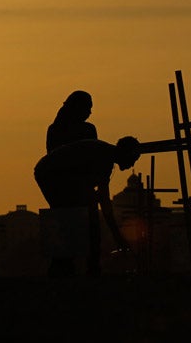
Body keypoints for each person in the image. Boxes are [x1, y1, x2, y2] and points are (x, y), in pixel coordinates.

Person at [34, 90, 142, 276]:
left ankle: (70, 265)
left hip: (61, 177)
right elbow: (105, 203)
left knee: (74, 217)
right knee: (73, 217)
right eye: (88, 108)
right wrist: (116, 234)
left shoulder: (96, 142)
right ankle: (80, 267)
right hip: (54, 176)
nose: (90, 112)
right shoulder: (102, 157)